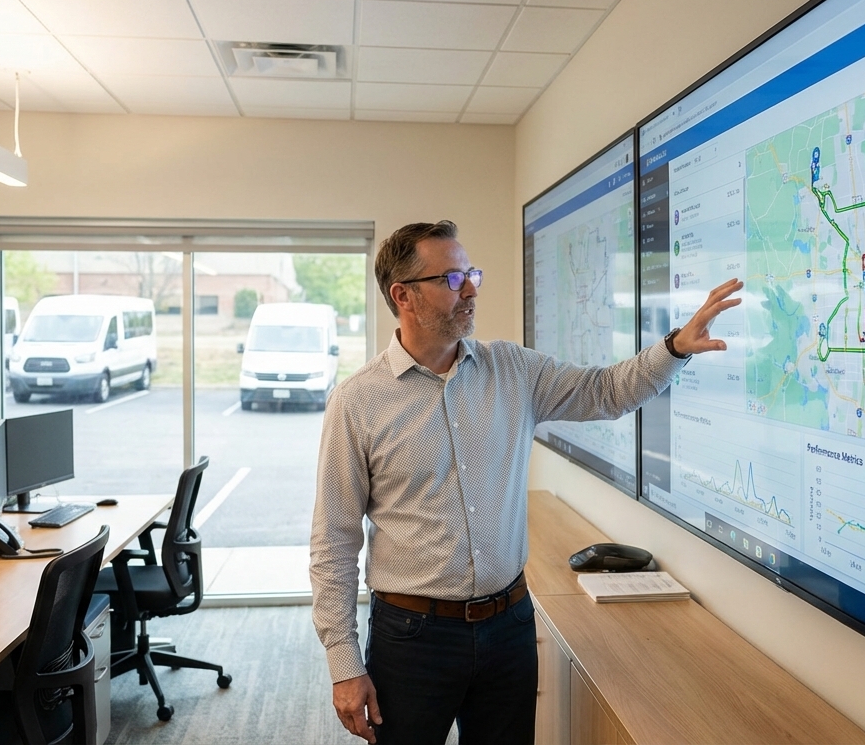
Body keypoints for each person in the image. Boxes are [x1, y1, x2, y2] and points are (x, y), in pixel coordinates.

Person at [310, 220, 743, 745]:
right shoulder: (358, 401)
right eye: (451, 279)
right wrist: (344, 664)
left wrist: (674, 348)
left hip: (508, 625)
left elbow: (604, 391)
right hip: (413, 638)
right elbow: (333, 540)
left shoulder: (512, 369)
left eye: (471, 273)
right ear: (403, 295)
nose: (470, 288)